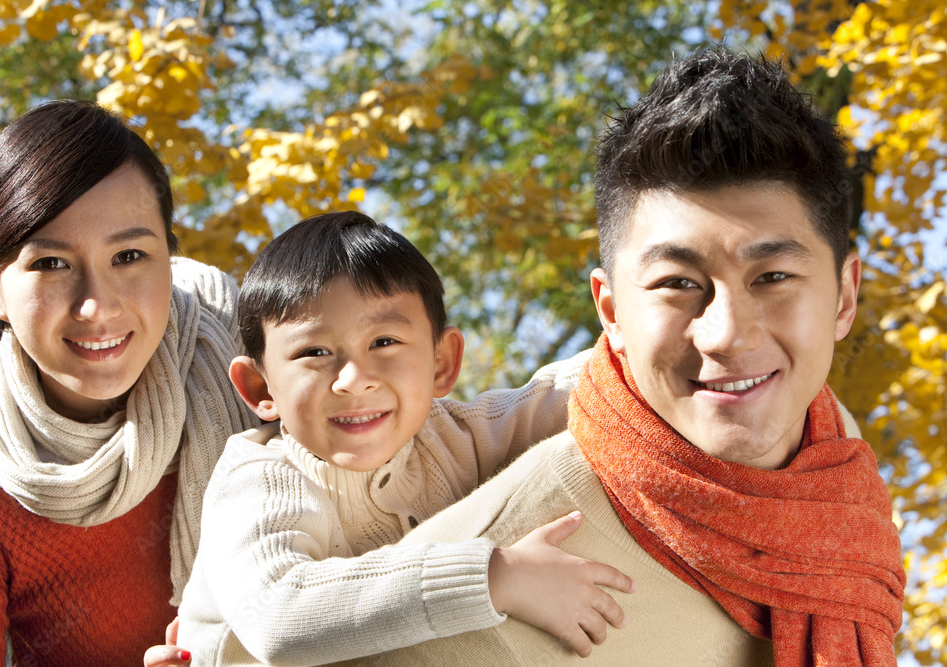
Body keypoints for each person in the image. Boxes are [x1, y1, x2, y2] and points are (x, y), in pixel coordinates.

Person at [339, 48, 906, 666]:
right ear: (610, 311)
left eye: (772, 277)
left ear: (844, 297)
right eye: (678, 284)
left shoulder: (840, 489)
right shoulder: (532, 540)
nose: (727, 335)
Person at [172, 212, 634, 666]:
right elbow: (277, 616)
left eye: (384, 342)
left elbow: (556, 394)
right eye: (314, 352)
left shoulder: (453, 436)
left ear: (441, 363)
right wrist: (497, 577)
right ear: (260, 389)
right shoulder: (261, 482)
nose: (353, 380)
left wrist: (639, 337)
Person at [0, 100, 259, 665]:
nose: (97, 306)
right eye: (50, 264)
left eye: (130, 255)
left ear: (170, 255)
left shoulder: (261, 372)